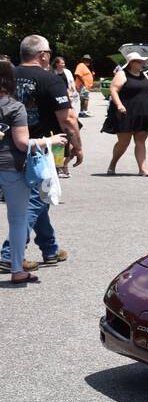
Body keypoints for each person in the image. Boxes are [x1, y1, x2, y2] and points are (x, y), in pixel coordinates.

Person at [0, 35, 81, 272]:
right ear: (43, 55)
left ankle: (50, 248)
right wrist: (77, 146)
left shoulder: (9, 75)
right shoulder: (50, 79)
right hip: (46, 146)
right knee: (36, 198)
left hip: (11, 145)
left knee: (41, 195)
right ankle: (9, 255)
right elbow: (67, 119)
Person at [104, 51, 148, 176]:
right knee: (124, 142)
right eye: (139, 61)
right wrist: (119, 105)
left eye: (142, 61)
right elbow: (113, 89)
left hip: (144, 112)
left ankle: (143, 169)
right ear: (131, 63)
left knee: (140, 141)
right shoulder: (122, 74)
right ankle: (113, 164)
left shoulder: (144, 74)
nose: (142, 63)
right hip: (126, 111)